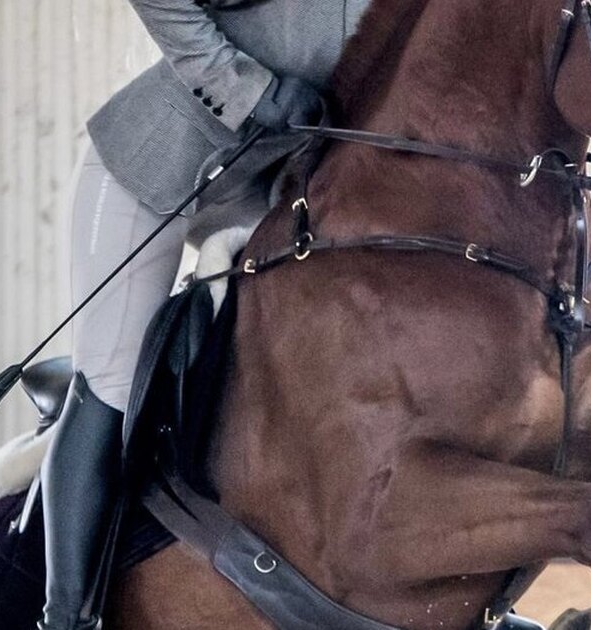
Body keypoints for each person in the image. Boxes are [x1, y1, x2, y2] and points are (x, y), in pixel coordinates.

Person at [39, 1, 370, 628]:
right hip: (153, 168)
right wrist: (250, 90)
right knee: (113, 381)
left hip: (266, 192)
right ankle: (66, 618)